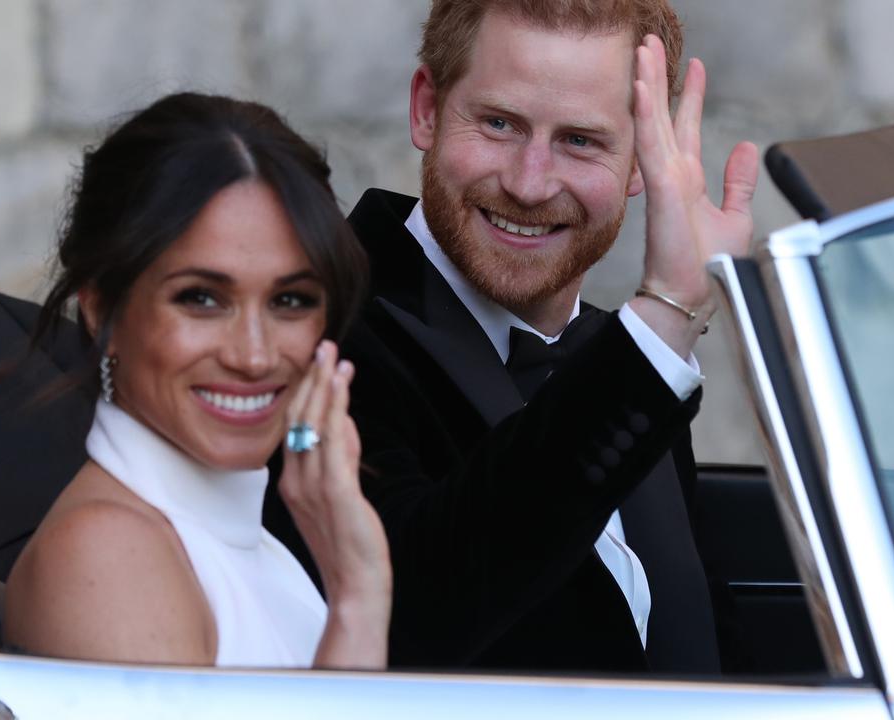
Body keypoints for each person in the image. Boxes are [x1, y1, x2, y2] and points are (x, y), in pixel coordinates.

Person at [264, 0, 758, 673]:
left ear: (643, 159)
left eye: (580, 140)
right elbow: (404, 614)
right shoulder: (313, 331)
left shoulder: (624, 354)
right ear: (427, 111)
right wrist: (668, 316)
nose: (530, 183)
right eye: (499, 124)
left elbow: (695, 639)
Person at [3, 93, 392, 669]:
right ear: (100, 307)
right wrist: (359, 602)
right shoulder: (107, 554)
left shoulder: (251, 545)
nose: (255, 356)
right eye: (202, 299)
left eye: (290, 300)